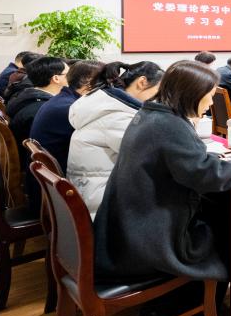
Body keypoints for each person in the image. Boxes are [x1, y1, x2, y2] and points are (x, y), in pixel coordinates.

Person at [93, 61, 231, 316]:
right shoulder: (169, 125)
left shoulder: (150, 113)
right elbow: (205, 175)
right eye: (209, 96)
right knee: (226, 234)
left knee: (218, 216)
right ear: (192, 94)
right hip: (149, 236)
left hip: (128, 225)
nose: (210, 104)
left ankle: (180, 311)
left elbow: (188, 164)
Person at [67, 61, 164, 215]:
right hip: (102, 204)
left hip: (89, 191)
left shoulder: (104, 103)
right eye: (158, 92)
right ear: (142, 82)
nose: (158, 99)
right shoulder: (117, 117)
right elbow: (151, 156)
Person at [6, 56, 68, 214]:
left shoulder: (29, 97)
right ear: (56, 78)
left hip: (33, 171)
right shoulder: (43, 108)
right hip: (40, 182)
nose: (72, 79)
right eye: (68, 74)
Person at [29, 60, 104, 172]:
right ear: (89, 83)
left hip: (49, 173)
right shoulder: (71, 108)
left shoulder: (63, 100)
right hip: (61, 175)